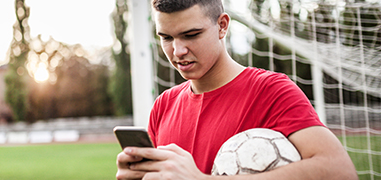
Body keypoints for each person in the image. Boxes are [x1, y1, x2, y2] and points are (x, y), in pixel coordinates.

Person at [116, 0, 358, 179]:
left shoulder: (271, 90)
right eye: (166, 37)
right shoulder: (164, 104)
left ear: (222, 26)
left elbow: (340, 170)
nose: (178, 51)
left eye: (191, 35)